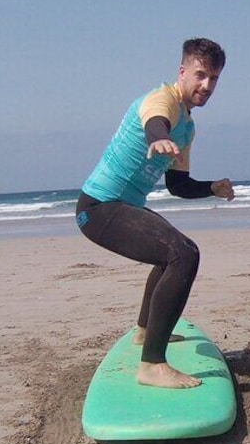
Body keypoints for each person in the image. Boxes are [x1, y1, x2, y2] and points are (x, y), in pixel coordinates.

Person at [75, 38, 234, 388]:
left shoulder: (188, 128)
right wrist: (156, 137)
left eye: (214, 79)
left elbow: (178, 185)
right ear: (182, 72)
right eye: (200, 75)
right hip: (98, 208)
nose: (206, 85)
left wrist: (211, 188)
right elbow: (155, 121)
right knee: (184, 254)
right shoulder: (163, 100)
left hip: (122, 207)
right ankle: (152, 365)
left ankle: (144, 331)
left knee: (170, 254)